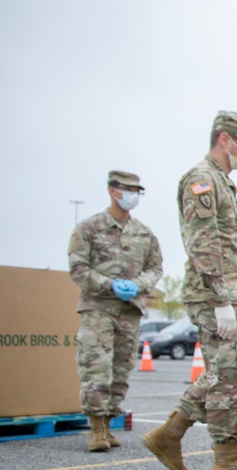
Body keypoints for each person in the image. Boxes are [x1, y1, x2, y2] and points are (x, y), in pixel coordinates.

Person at [142, 111, 237, 470]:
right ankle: (226, 461)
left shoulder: (221, 182)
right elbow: (202, 243)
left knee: (223, 373)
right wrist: (220, 299)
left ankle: (169, 434)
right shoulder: (202, 180)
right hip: (217, 294)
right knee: (232, 375)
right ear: (226, 139)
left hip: (228, 294)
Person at [68, 170, 163, 452]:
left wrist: (137, 285)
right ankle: (96, 428)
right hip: (98, 307)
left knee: (121, 369)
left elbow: (155, 269)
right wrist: (109, 284)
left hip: (130, 309)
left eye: (138, 191)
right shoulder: (89, 228)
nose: (133, 195)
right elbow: (78, 267)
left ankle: (109, 422)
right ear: (113, 190)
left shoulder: (144, 234)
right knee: (96, 367)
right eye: (128, 189)